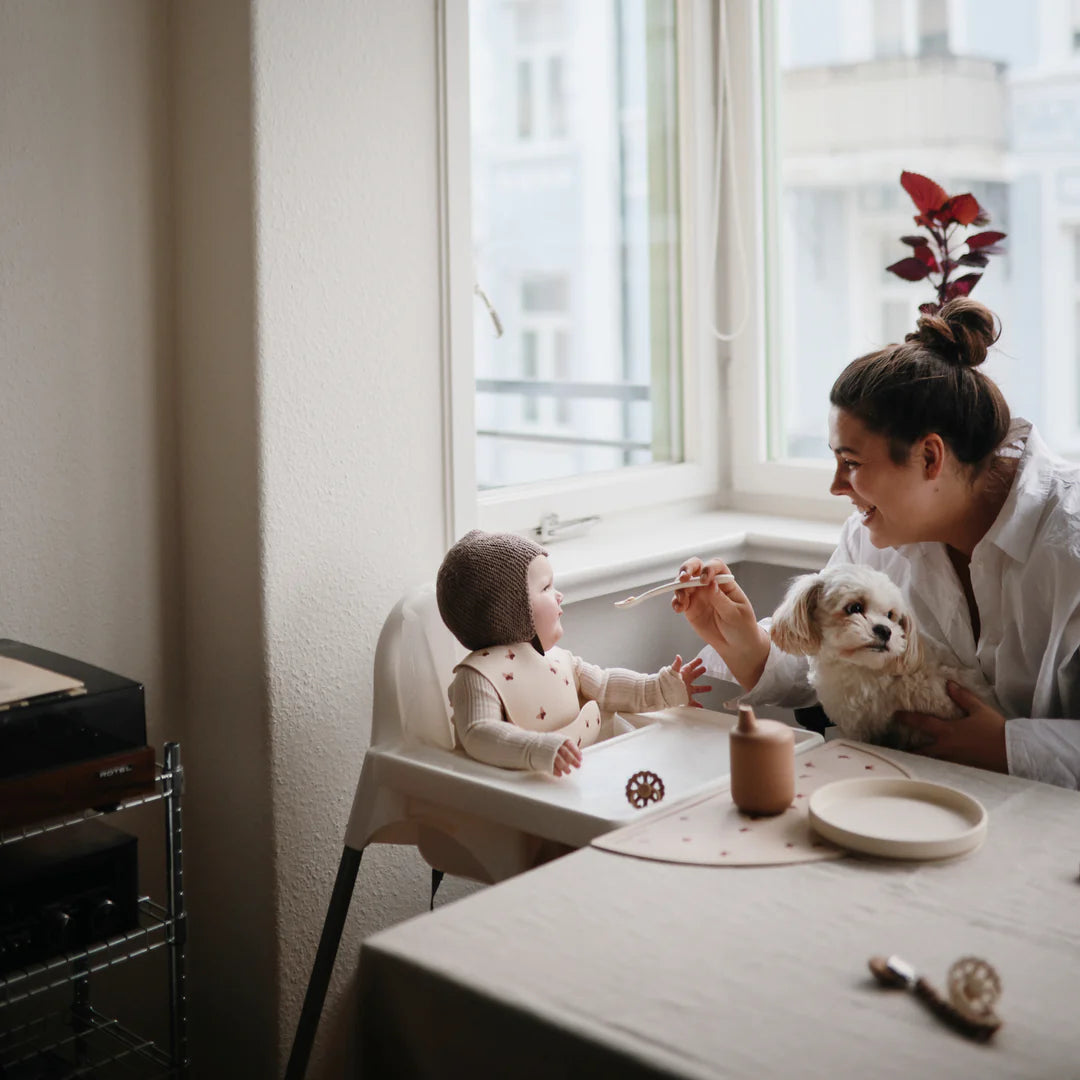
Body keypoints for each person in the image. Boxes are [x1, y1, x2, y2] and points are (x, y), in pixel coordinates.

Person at [673, 297, 1080, 789]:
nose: (837, 486)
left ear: (930, 457)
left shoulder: (1068, 546)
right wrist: (742, 639)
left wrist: (1009, 748)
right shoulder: (875, 536)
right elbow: (837, 660)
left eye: (852, 462)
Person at [438, 530, 708, 777]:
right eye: (546, 588)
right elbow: (478, 733)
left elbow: (606, 686)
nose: (560, 595)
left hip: (583, 780)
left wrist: (661, 688)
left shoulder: (559, 660)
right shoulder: (477, 677)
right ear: (506, 610)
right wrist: (536, 748)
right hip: (524, 795)